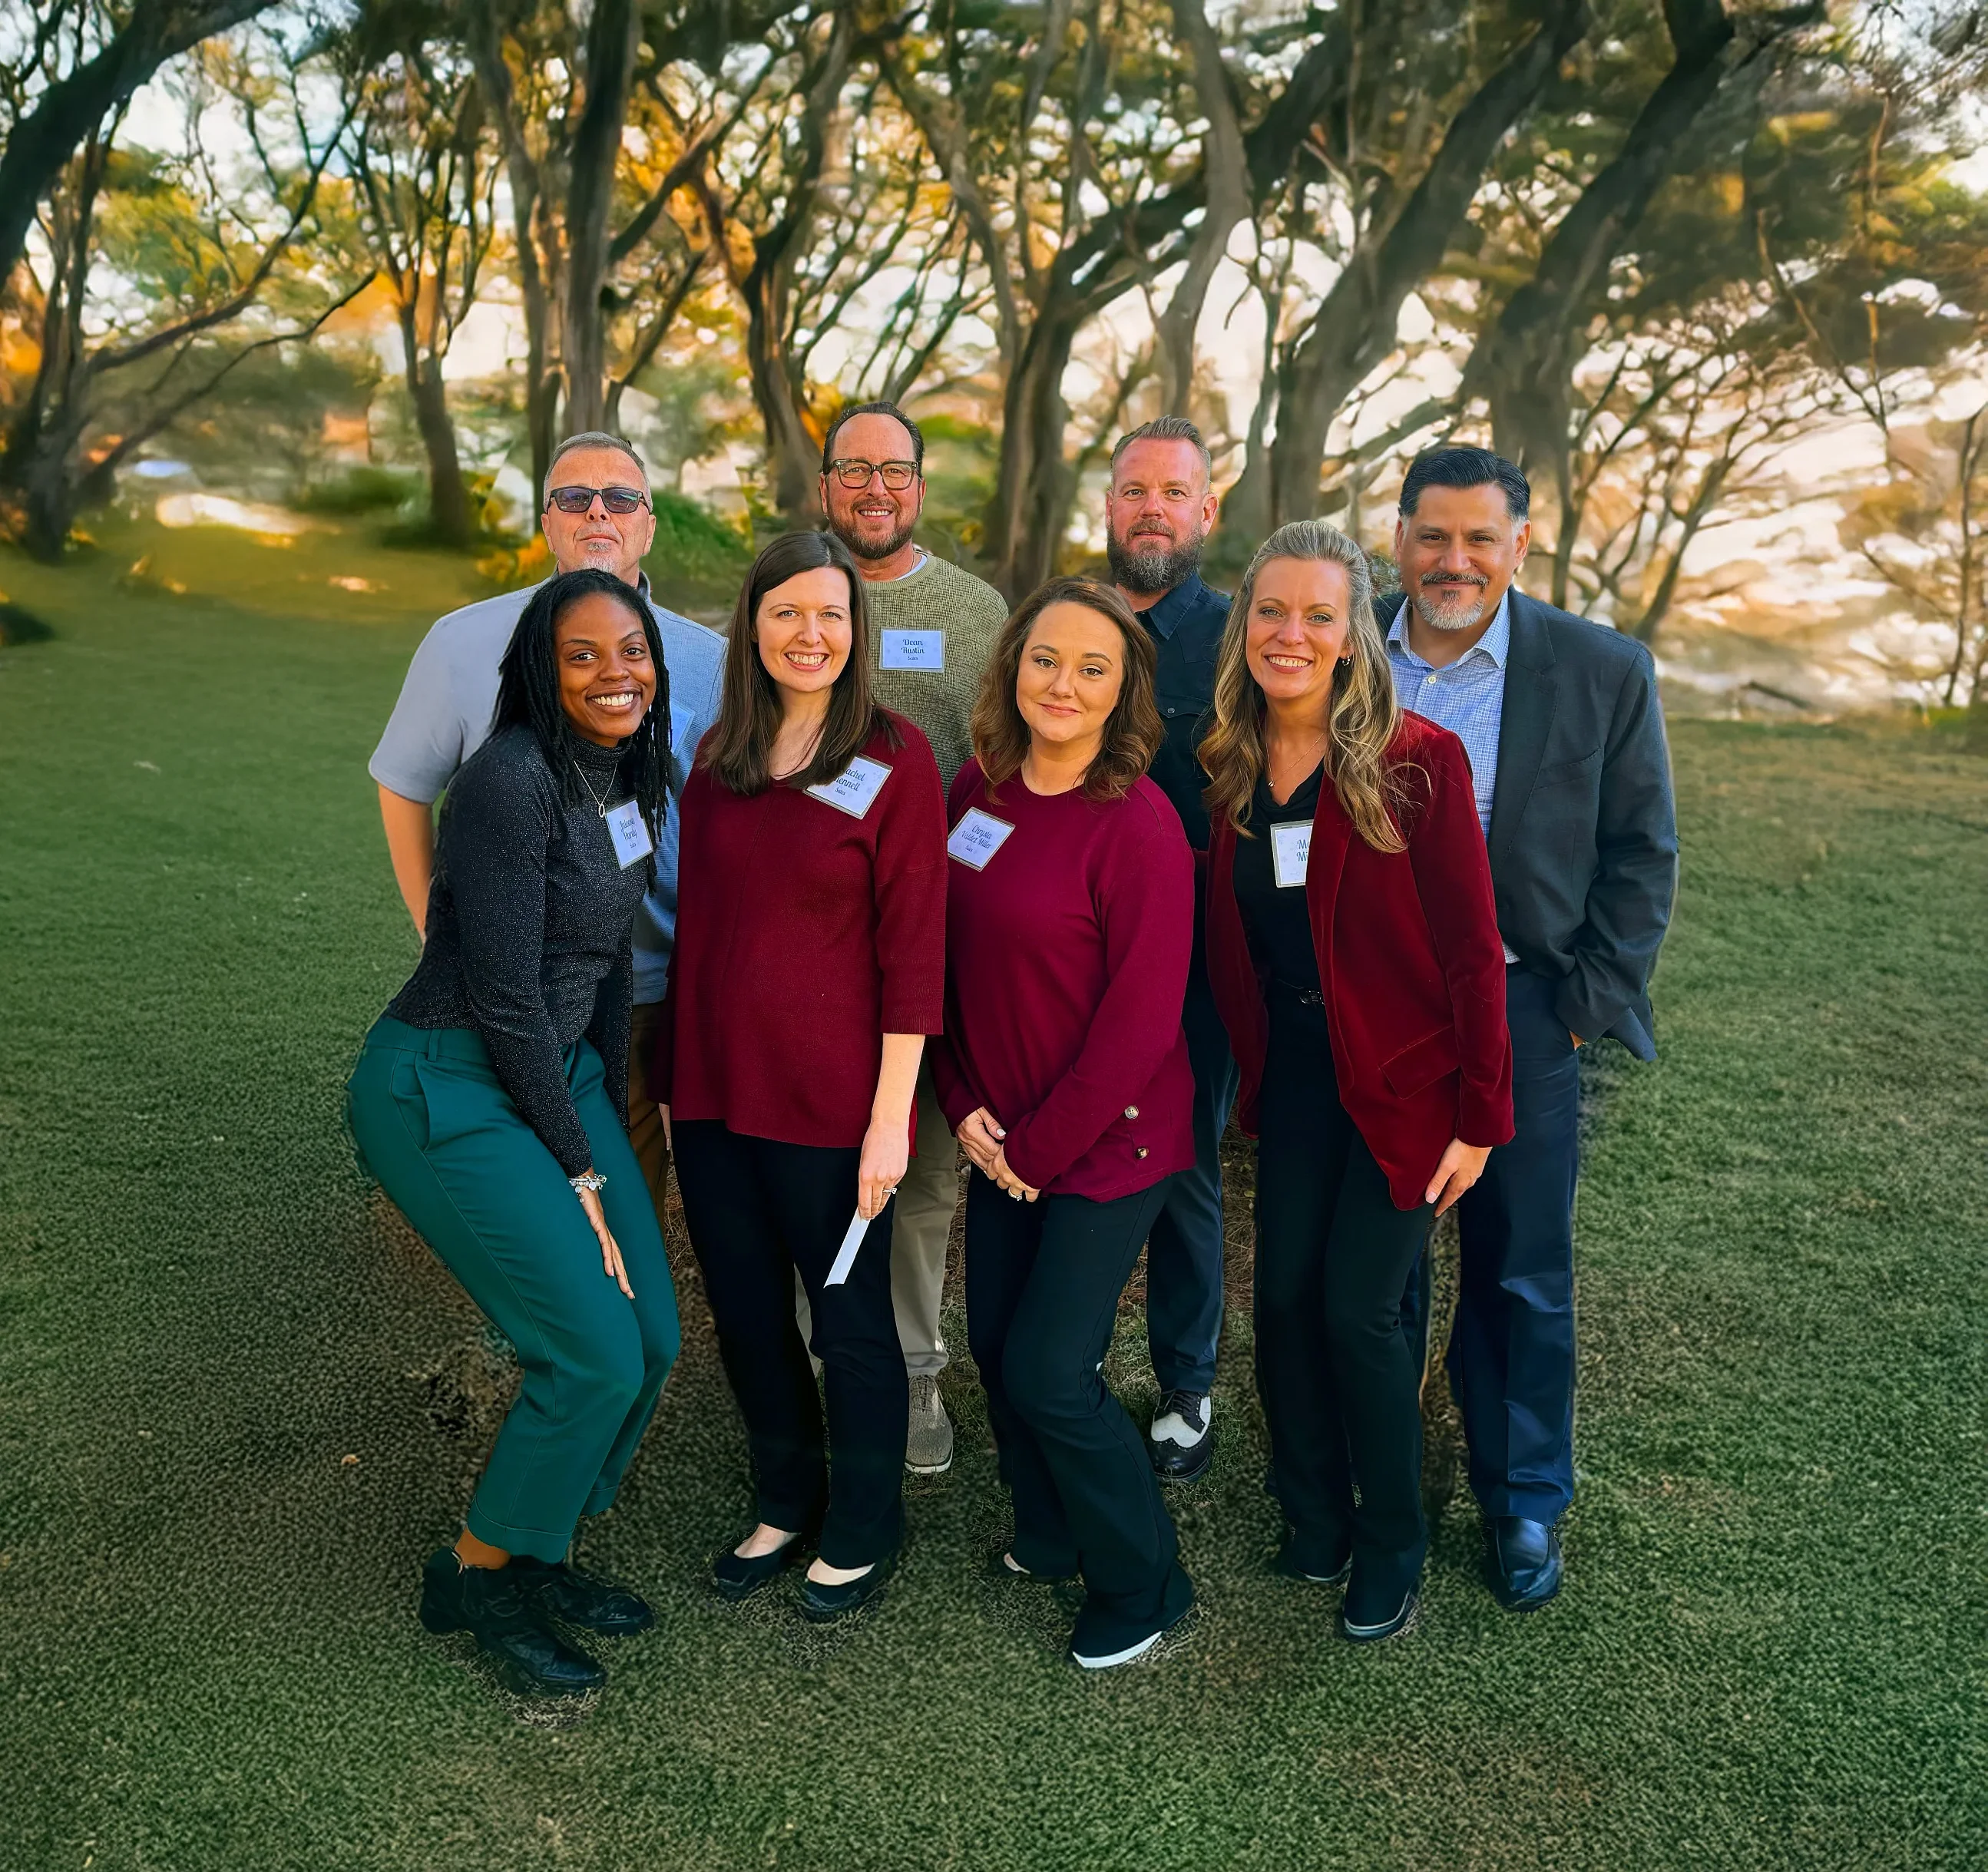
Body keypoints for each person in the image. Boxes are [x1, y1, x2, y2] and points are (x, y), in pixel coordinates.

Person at [346, 569, 683, 1698]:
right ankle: (477, 1576)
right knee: (587, 1347)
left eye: (629, 649)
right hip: (446, 1076)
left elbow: (604, 972)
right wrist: (579, 1168)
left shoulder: (630, 775)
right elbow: (499, 996)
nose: (613, 673)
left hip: (561, 1068)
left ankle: (541, 1545)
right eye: (581, 655)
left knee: (652, 1339)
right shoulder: (509, 779)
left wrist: (608, 1103)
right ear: (539, 668)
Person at [1199, 521, 1513, 1642]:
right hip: (1292, 1079)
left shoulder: (1416, 758)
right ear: (1245, 626)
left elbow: (1475, 951)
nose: (1290, 632)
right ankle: (1314, 1513)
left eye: (1317, 614)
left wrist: (1480, 1117)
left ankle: (1393, 1540)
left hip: (1402, 1087)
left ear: (1351, 635)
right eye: (1271, 610)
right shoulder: (1225, 763)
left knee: (1358, 1311)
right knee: (1281, 1303)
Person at [1383, 447, 1678, 1612]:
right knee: (1380, 1258)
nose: (1454, 561)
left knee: (1519, 1268)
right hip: (1377, 1006)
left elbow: (1642, 852)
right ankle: (1380, 1478)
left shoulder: (1600, 668)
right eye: (1431, 536)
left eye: (1479, 539)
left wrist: (1574, 1012)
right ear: (1398, 536)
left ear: (1519, 545)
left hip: (1524, 1003)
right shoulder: (1346, 643)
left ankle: (1522, 1500)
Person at [654, 531, 947, 1623]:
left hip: (833, 1108)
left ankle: (865, 1522)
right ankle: (785, 1498)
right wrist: (684, 1098)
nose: (810, 634)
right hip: (722, 1096)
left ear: (855, 630)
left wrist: (890, 1120)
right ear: (754, 626)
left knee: (845, 1318)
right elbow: (701, 937)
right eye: (787, 613)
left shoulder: (895, 756)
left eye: (830, 615)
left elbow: (915, 951)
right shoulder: (722, 752)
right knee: (744, 1312)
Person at [936, 576, 1199, 1669]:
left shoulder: (1139, 824)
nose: (1064, 683)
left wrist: (1035, 1152)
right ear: (1012, 666)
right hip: (1000, 1140)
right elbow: (937, 965)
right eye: (1046, 658)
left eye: (1094, 666)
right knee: (997, 1350)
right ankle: (1045, 1528)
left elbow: (1139, 1025)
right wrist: (962, 1108)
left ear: (1124, 688)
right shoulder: (976, 789)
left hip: (1109, 1142)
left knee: (1050, 1367)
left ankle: (1145, 1580)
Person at [369, 432, 725, 1229]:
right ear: (547, 519)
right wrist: (433, 924)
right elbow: (403, 786)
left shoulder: (708, 660)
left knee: (621, 1190)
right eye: (574, 496)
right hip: (503, 986)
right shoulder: (461, 642)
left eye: (620, 497)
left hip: (644, 986)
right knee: (525, 1188)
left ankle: (617, 1318)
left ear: (648, 521)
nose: (598, 510)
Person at [815, 400, 1009, 1477]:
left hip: (932, 932)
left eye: (894, 470)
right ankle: (826, 1362)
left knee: (925, 1171)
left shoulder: (974, 611)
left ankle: (916, 1369)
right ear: (826, 483)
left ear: (920, 486)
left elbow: (1009, 759)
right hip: (811, 933)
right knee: (811, 1158)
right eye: (853, 470)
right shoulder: (793, 588)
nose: (874, 489)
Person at [1103, 415, 1239, 1481]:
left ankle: (1187, 1380)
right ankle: (1067, 1364)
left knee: (1183, 1163)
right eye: (1133, 489)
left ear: (1205, 511)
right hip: (1072, 949)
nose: (1152, 507)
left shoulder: (1241, 634)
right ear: (1110, 505)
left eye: (1173, 492)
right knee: (1076, 1153)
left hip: (1198, 955)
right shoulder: (1067, 618)